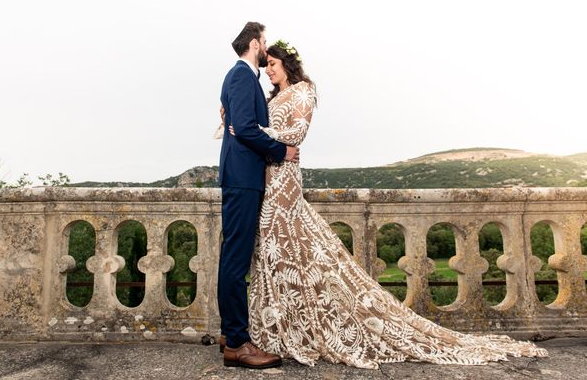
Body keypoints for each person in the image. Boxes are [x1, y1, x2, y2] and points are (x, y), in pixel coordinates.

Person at [226, 40, 548, 370]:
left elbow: (298, 132)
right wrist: (235, 120)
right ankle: (276, 327)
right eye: (265, 65)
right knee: (271, 254)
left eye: (273, 63)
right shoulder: (270, 97)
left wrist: (256, 130)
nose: (268, 69)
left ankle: (320, 323)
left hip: (285, 180)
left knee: (294, 252)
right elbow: (251, 129)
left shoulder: (303, 90)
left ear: (286, 63)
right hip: (265, 179)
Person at [217, 22, 300, 369]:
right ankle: (237, 343)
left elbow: (240, 123)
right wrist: (282, 152)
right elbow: (247, 129)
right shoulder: (241, 76)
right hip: (242, 178)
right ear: (254, 43)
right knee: (235, 261)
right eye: (264, 41)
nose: (266, 47)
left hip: (243, 177)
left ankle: (229, 333)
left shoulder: (242, 78)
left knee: (234, 258)